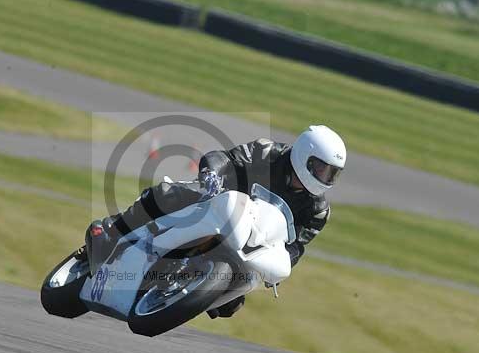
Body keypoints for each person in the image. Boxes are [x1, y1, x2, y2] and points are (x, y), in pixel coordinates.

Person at [85, 125, 347, 318]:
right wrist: (211, 173)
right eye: (321, 168)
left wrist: (278, 269)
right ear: (304, 156)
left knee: (231, 304)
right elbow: (225, 158)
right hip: (218, 204)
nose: (325, 178)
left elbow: (296, 246)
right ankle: (112, 230)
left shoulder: (317, 211)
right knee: (168, 195)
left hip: (251, 242)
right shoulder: (268, 153)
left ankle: (179, 290)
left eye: (331, 174)